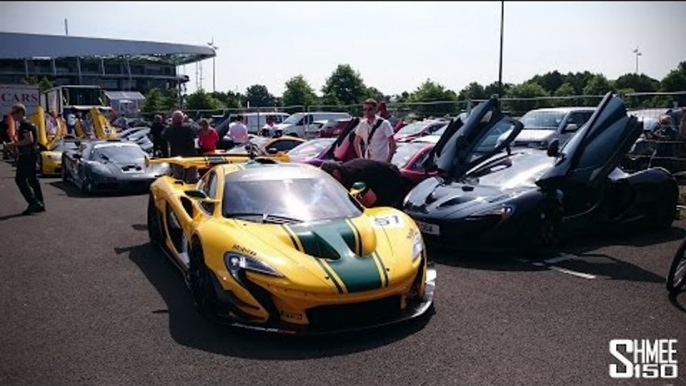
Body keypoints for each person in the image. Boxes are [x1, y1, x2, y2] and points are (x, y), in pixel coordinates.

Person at [5, 104, 45, 215]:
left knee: (20, 179)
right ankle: (40, 203)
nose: (13, 115)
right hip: (31, 154)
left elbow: (29, 140)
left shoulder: (25, 124)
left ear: (21, 112)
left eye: (15, 113)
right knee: (32, 179)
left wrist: (14, 145)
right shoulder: (27, 124)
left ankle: (33, 202)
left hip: (27, 155)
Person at [320, 159, 407, 208]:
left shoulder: (353, 177)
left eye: (331, 178)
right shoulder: (344, 171)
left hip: (389, 178)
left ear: (335, 173)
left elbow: (371, 201)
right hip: (381, 174)